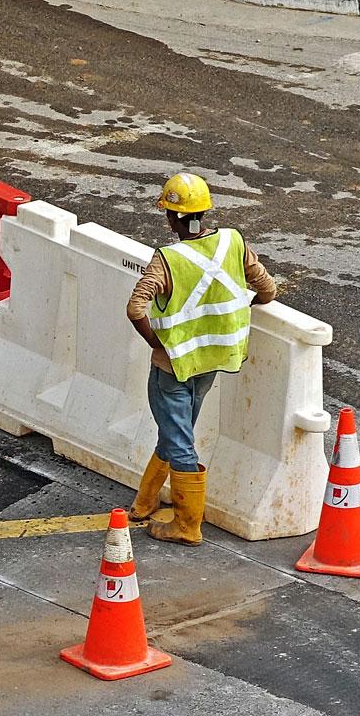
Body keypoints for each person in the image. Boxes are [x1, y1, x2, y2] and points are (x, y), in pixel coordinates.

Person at [126, 172, 276, 546]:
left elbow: (135, 308)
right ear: (205, 212)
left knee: (179, 440)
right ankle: (145, 502)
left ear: (171, 218)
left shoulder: (168, 259)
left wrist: (157, 345)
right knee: (177, 430)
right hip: (212, 361)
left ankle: (187, 524)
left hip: (172, 366)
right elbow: (267, 290)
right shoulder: (232, 241)